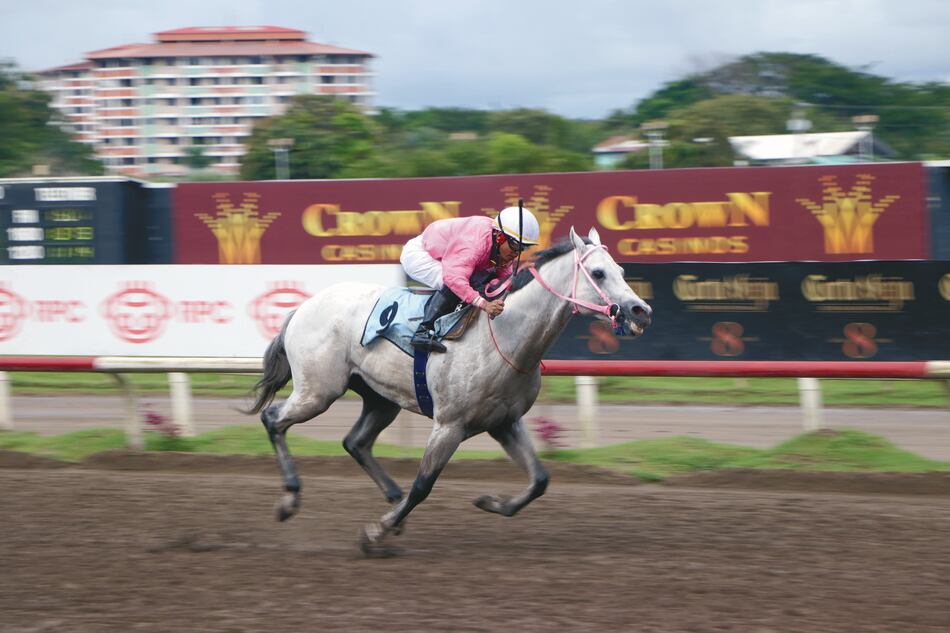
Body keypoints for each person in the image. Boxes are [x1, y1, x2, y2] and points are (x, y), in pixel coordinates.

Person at [400, 206, 541, 353]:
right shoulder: (474, 243)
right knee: (454, 283)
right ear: (500, 237)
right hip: (422, 253)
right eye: (514, 245)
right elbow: (453, 278)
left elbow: (503, 280)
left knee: (483, 281)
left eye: (522, 248)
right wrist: (485, 304)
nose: (516, 253)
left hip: (449, 254)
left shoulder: (503, 247)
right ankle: (423, 332)